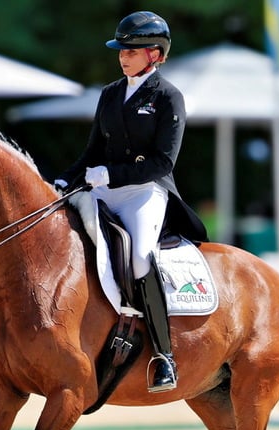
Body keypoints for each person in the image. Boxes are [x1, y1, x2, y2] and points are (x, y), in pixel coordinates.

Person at [54, 11, 208, 393]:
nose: (123, 56)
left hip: (146, 191)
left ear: (154, 54)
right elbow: (93, 150)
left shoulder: (169, 97)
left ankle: (164, 355)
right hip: (102, 187)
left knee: (140, 255)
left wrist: (113, 174)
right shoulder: (109, 94)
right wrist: (65, 179)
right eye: (121, 49)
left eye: (132, 50)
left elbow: (162, 162)